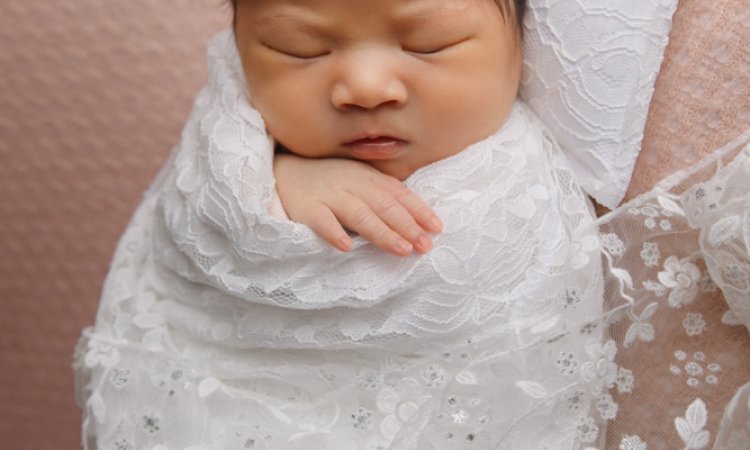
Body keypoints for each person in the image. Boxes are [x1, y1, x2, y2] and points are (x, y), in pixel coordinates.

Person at [73, 0, 750, 448]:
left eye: (429, 43)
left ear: (524, 50)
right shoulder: (233, 133)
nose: (366, 85)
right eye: (300, 49)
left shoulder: (524, 170)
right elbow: (194, 215)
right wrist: (269, 181)